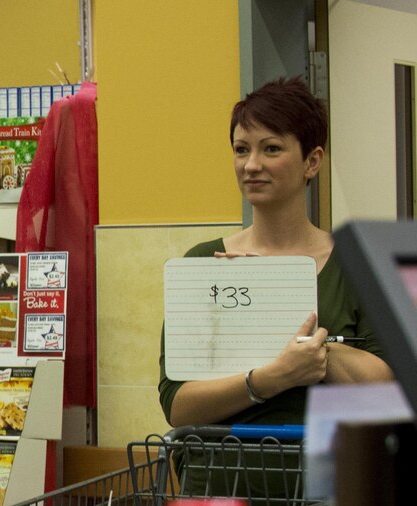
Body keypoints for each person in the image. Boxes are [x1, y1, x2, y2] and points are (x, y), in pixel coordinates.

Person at [159, 77, 393, 431]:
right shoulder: (203, 263)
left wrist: (316, 350)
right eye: (241, 150)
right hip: (219, 476)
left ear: (312, 162)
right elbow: (177, 407)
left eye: (271, 149)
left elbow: (387, 391)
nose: (251, 165)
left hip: (327, 478)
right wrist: (271, 378)